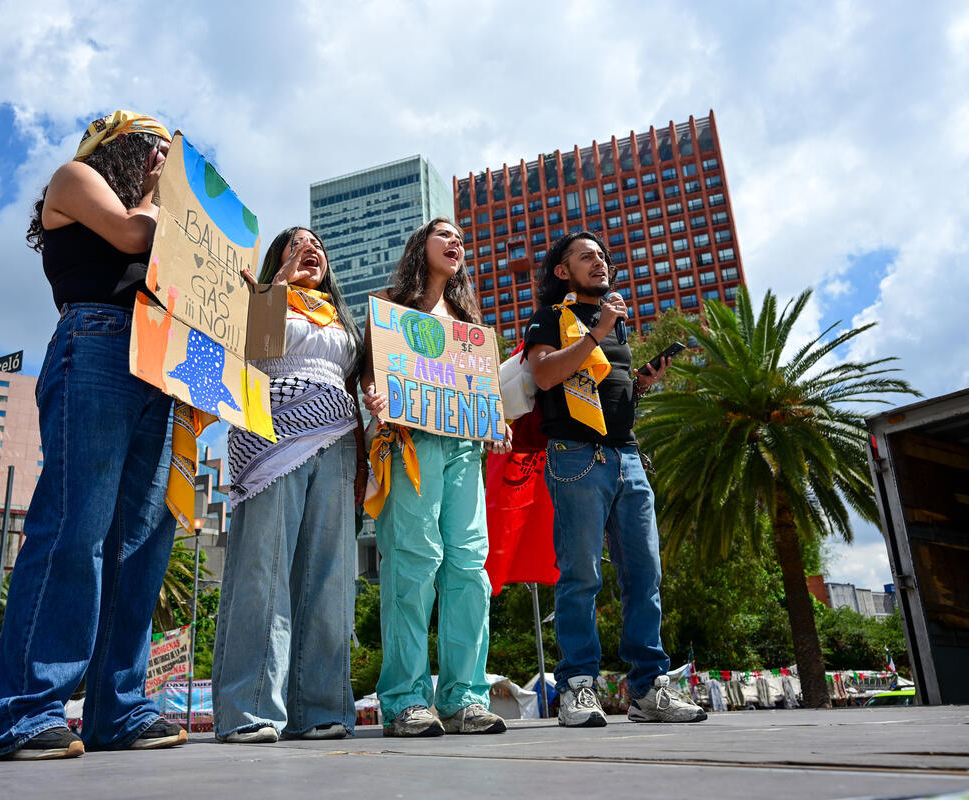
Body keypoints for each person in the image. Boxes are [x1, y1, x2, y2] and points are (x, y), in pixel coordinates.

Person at [0, 110, 190, 760]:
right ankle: (26, 710)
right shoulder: (74, 179)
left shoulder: (162, 216)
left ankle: (118, 710)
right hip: (97, 341)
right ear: (120, 148)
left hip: (157, 362)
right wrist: (161, 198)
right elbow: (132, 235)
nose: (163, 159)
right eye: (154, 149)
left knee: (140, 546)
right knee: (77, 528)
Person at [523, 230, 707, 726]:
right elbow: (543, 377)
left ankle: (648, 689)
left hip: (626, 455)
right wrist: (597, 331)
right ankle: (578, 688)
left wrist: (641, 381)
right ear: (564, 272)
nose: (599, 262)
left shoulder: (615, 326)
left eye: (602, 256)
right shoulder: (551, 319)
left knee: (645, 575)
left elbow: (607, 393)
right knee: (581, 574)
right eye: (586, 257)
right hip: (576, 455)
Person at [210, 227, 366, 743]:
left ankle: (320, 708)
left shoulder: (343, 321)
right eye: (297, 243)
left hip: (337, 438)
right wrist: (273, 286)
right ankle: (250, 710)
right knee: (264, 572)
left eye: (318, 244)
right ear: (279, 256)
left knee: (330, 579)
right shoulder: (258, 297)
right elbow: (251, 350)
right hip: (272, 436)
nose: (311, 249)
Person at [361, 218, 510, 737]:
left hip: (465, 447)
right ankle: (405, 698)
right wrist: (376, 398)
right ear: (419, 245)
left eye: (462, 239)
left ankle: (465, 695)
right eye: (444, 235)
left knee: (470, 564)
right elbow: (369, 373)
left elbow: (480, 387)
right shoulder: (391, 304)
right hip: (410, 443)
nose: (456, 243)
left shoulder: (468, 320)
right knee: (413, 561)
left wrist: (494, 422)